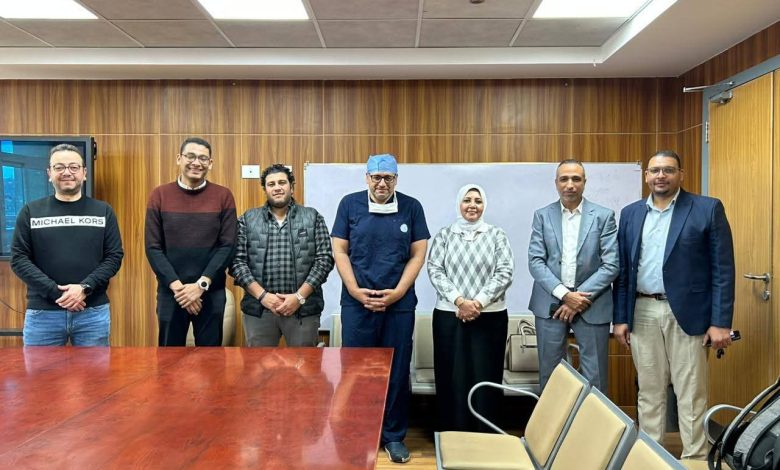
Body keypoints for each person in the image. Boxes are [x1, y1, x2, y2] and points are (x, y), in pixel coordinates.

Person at [613, 150, 735, 459]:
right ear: (646, 176)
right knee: (649, 391)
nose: (661, 176)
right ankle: (651, 456)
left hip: (688, 314)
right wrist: (620, 317)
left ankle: (694, 458)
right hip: (642, 311)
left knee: (691, 392)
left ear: (681, 174)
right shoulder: (630, 213)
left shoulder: (707, 209)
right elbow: (624, 271)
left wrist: (720, 322)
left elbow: (723, 270)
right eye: (655, 170)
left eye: (668, 170)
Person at [331, 153, 430, 464]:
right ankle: (360, 433)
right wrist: (353, 290)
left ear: (396, 179)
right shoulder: (349, 205)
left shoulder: (411, 207)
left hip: (398, 306)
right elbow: (339, 249)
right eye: (376, 177)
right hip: (357, 304)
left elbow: (418, 254)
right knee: (356, 371)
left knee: (397, 371)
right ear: (367, 178)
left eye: (388, 178)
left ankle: (393, 436)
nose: (382, 183)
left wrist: (398, 292)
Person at [11, 143, 124, 346]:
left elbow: (114, 257)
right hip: (43, 314)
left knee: (94, 369)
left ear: (84, 173)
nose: (67, 172)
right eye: (59, 167)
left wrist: (84, 288)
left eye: (73, 167)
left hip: (92, 313)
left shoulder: (103, 211)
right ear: (49, 173)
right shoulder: (30, 212)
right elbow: (19, 259)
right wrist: (58, 293)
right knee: (40, 368)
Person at [427, 184, 513, 431]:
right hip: (449, 316)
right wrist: (459, 301)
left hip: (490, 317)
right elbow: (435, 269)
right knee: (452, 375)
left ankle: (485, 433)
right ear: (459, 204)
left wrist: (477, 303)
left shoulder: (497, 235)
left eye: (478, 200)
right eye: (467, 200)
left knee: (485, 374)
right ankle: (452, 432)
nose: (472, 205)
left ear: (484, 205)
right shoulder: (444, 235)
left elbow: (505, 272)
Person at [528, 159, 618, 392]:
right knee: (551, 375)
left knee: (595, 376)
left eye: (576, 179)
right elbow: (536, 262)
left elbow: (611, 265)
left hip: (592, 303)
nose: (570, 184)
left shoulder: (603, 216)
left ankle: (592, 419)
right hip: (549, 304)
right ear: (556, 183)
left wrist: (577, 299)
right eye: (564, 179)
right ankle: (553, 419)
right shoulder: (542, 215)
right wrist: (565, 295)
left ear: (584, 182)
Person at [145, 137, 237, 347]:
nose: (196, 162)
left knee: (210, 358)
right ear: (179, 158)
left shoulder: (223, 196)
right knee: (169, 358)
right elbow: (153, 247)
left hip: (211, 292)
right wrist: (179, 289)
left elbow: (228, 246)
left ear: (210, 163)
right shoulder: (159, 195)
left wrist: (201, 285)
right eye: (191, 156)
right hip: (172, 293)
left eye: (203, 158)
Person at [230, 164, 334, 347]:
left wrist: (299, 297)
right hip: (259, 310)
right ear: (265, 189)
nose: (277, 187)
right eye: (271, 184)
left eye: (282, 182)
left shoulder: (313, 217)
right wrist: (263, 297)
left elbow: (324, 260)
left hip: (303, 309)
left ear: (291, 187)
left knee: (304, 364)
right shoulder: (247, 219)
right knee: (259, 365)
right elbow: (237, 262)